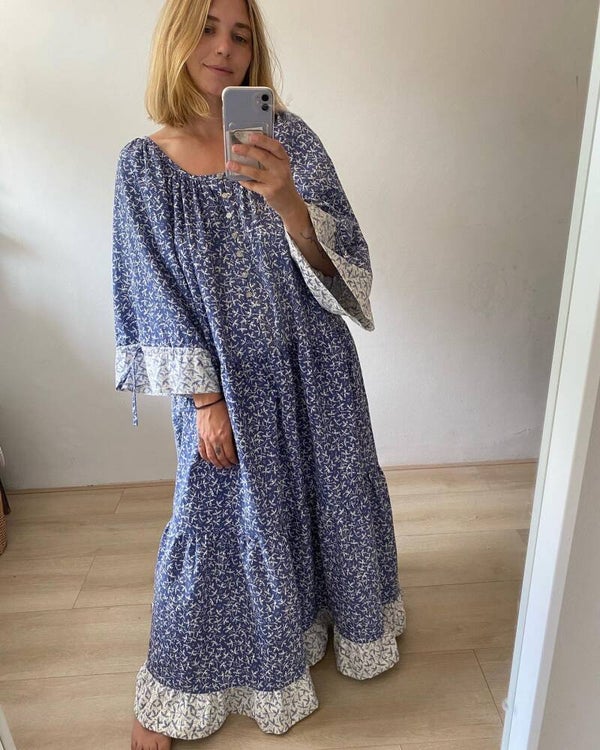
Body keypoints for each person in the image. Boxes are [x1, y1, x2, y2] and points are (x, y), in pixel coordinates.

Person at [111, 0, 407, 747]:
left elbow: (346, 256)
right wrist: (206, 400)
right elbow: (152, 289)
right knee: (218, 525)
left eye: (240, 35)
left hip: (316, 365)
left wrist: (288, 202)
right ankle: (175, 689)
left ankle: (329, 621)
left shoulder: (289, 138)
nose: (224, 47)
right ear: (177, 38)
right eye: (208, 28)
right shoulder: (145, 166)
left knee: (330, 495)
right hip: (228, 387)